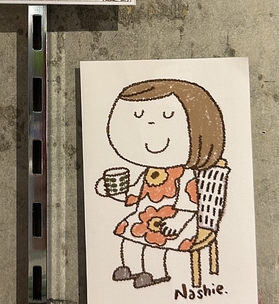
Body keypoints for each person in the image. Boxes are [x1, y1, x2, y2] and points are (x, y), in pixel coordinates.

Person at [95, 78, 228, 288]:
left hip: (176, 220)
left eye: (167, 115)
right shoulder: (150, 171)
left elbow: (189, 204)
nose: (150, 125)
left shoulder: (184, 174)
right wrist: (110, 190)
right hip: (144, 216)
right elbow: (133, 194)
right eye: (138, 116)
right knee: (129, 237)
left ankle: (156, 273)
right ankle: (130, 267)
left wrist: (176, 222)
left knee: (154, 243)